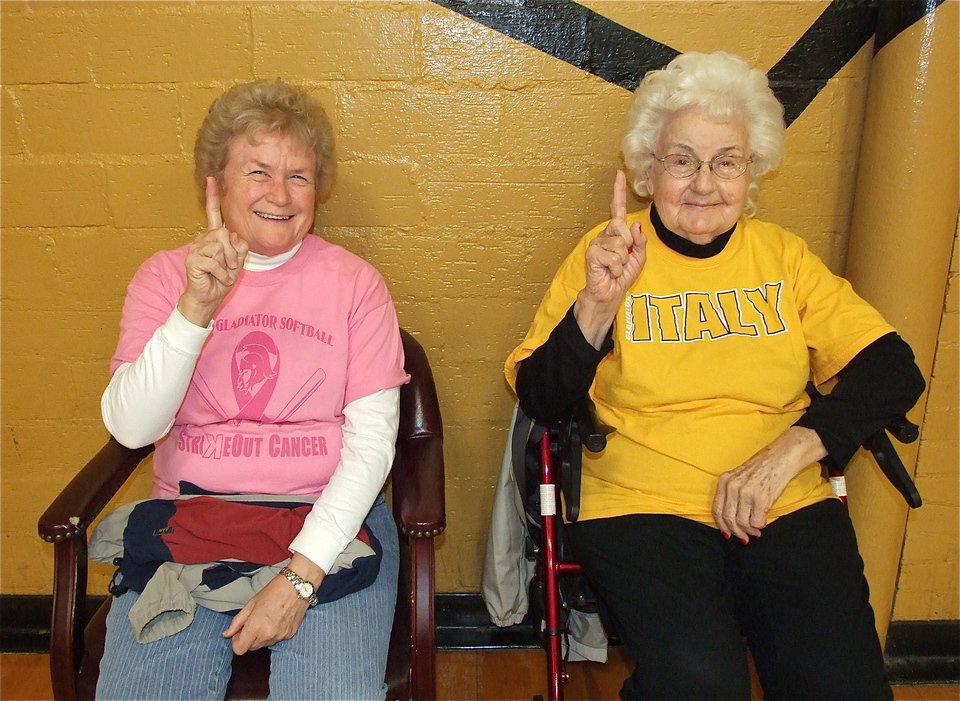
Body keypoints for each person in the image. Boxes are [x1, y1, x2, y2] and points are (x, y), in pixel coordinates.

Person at [505, 52, 925, 700]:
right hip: (643, 504)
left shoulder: (782, 257)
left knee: (844, 687)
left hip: (781, 496)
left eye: (726, 160)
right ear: (649, 169)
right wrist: (596, 306)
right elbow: (541, 394)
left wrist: (793, 449)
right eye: (682, 160)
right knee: (702, 685)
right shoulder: (610, 253)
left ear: (751, 172)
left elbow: (894, 369)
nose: (704, 181)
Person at [97, 79, 409, 700]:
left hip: (331, 527)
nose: (280, 194)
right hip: (192, 523)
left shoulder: (357, 285)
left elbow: (372, 445)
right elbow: (132, 429)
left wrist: (299, 578)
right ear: (215, 183)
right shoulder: (165, 279)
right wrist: (194, 311)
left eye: (299, 176)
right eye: (258, 171)